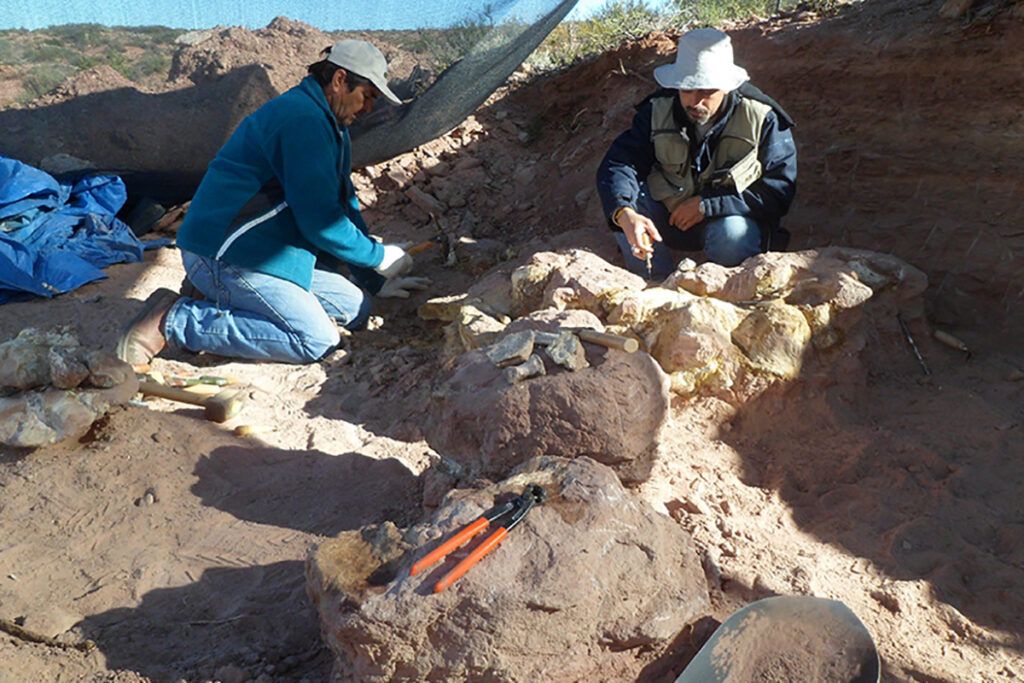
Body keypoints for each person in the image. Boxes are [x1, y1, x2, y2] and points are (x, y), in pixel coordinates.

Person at [116, 39, 429, 366]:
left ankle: (212, 295)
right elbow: (320, 221)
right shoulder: (302, 120)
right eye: (368, 96)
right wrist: (377, 256)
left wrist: (373, 278)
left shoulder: (330, 126)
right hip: (225, 253)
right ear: (339, 80)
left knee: (355, 308)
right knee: (316, 340)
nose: (369, 108)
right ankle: (172, 320)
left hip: (264, 251)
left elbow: (344, 206)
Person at [596, 28, 797, 279]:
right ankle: (653, 285)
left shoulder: (763, 118)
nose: (695, 101)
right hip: (669, 216)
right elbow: (620, 163)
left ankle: (728, 291)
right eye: (686, 89)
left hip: (728, 223)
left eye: (706, 91)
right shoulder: (657, 110)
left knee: (732, 235)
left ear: (727, 87)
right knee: (624, 207)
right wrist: (624, 213)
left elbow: (778, 191)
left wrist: (708, 205)